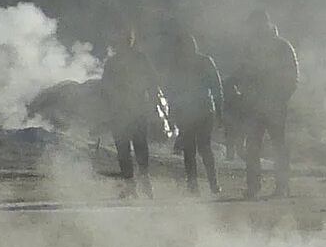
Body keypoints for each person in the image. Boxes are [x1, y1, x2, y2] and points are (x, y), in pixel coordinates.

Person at [232, 13, 302, 200]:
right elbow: (242, 72)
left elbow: (292, 77)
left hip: (275, 105)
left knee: (279, 146)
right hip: (254, 105)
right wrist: (237, 86)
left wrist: (281, 98)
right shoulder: (250, 49)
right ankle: (253, 186)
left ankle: (282, 185)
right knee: (253, 146)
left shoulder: (282, 47)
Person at [104, 27, 161, 199]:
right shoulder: (112, 63)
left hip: (137, 110)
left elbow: (152, 82)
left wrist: (154, 103)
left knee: (140, 146)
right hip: (119, 111)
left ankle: (144, 181)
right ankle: (130, 184)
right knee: (123, 149)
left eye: (129, 38)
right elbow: (105, 88)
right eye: (124, 38)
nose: (127, 41)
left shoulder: (141, 59)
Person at [165, 34, 223, 196]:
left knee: (203, 148)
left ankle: (211, 183)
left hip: (203, 111)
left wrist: (219, 110)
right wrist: (172, 112)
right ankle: (195, 185)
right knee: (190, 149)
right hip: (189, 112)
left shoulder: (203, 62)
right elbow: (171, 90)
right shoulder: (179, 65)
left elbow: (216, 87)